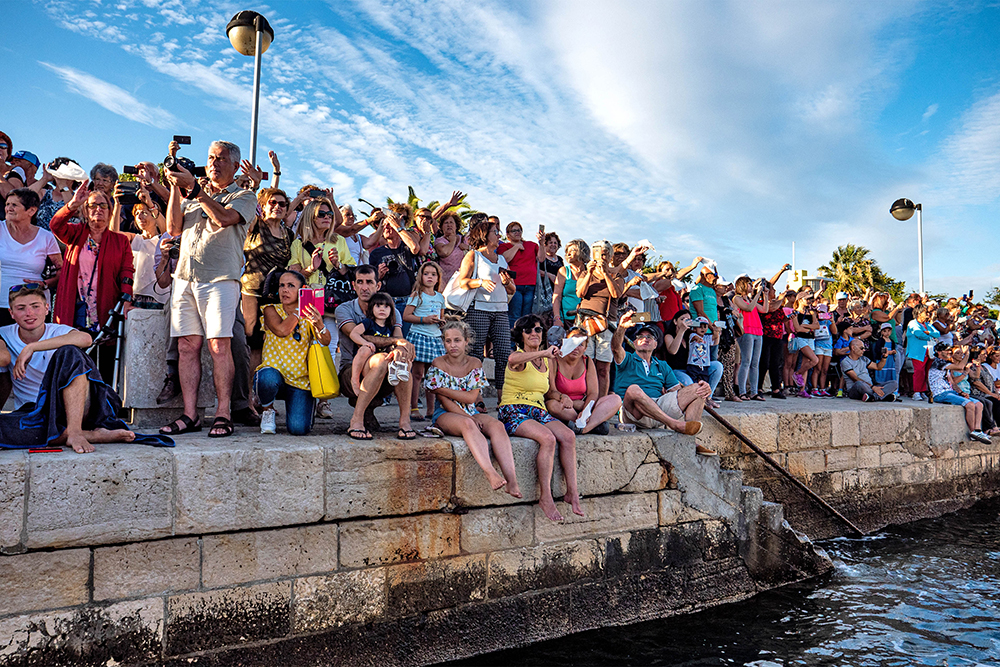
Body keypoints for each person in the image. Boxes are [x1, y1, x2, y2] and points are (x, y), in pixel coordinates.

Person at [159, 140, 257, 438]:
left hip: (220, 279)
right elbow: (174, 228)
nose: (214, 163)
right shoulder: (192, 195)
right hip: (185, 277)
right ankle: (190, 415)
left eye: (221, 158)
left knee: (219, 346)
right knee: (187, 346)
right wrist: (175, 186)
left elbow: (224, 218)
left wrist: (196, 190)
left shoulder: (244, 195)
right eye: (211, 157)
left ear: (235, 165)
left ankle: (223, 412)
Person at [0, 285, 135, 453]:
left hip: (73, 409)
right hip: (34, 415)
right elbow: (3, 361)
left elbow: (86, 339)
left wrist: (32, 347)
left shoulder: (58, 331)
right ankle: (89, 435)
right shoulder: (4, 335)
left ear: (47, 308)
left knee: (70, 352)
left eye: (35, 306)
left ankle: (75, 431)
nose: (29, 313)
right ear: (11, 313)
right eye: (21, 308)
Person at [498, 314, 583, 522]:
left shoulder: (546, 360)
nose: (533, 333)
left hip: (538, 409)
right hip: (514, 409)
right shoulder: (519, 356)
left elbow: (550, 391)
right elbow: (512, 360)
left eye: (538, 329)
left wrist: (562, 397)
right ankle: (545, 497)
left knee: (568, 436)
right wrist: (545, 351)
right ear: (521, 335)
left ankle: (572, 492)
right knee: (548, 438)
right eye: (528, 330)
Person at [424, 319, 521, 497]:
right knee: (468, 425)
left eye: (457, 340)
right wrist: (468, 418)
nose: (453, 345)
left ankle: (512, 480)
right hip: (446, 413)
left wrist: (442, 389)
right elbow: (444, 402)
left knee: (497, 426)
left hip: (471, 410)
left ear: (466, 341)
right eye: (448, 341)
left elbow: (471, 398)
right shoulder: (438, 363)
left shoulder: (475, 363)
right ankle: (490, 472)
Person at [49, 182, 135, 383]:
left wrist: (127, 299)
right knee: (74, 359)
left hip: (105, 309)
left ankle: (102, 401)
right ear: (86, 212)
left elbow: (127, 271)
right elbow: (55, 225)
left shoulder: (120, 241)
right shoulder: (75, 233)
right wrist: (72, 204)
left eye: (103, 205)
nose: (98, 209)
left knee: (103, 362)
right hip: (76, 308)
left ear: (110, 211)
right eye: (92, 205)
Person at [611, 312, 713, 452]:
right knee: (633, 389)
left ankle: (690, 440)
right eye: (640, 337)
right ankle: (674, 424)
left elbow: (678, 393)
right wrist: (622, 327)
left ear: (655, 344)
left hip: (657, 410)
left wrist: (704, 388)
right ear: (634, 343)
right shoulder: (627, 359)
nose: (645, 339)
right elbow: (616, 348)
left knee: (698, 389)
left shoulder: (662, 365)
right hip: (632, 413)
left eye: (650, 337)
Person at [336, 265, 415, 440]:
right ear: (353, 285)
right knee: (381, 360)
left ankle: (405, 421)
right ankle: (356, 420)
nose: (365, 287)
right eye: (360, 282)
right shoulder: (344, 309)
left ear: (378, 285)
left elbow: (399, 339)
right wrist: (395, 342)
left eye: (369, 282)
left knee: (401, 362)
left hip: (385, 370)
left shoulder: (390, 310)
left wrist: (402, 350)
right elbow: (358, 335)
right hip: (352, 370)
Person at [254, 271, 331, 435]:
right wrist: (300, 309)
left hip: (300, 380)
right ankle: (267, 410)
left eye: (291, 286)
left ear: (302, 290)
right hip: (275, 374)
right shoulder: (270, 310)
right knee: (266, 378)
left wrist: (319, 324)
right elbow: (282, 330)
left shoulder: (309, 314)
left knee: (298, 429)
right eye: (281, 285)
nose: (285, 290)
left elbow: (325, 341)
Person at [456, 215, 516, 395]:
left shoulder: (502, 259)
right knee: (475, 354)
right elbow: (462, 282)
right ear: (484, 235)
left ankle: (502, 399)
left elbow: (512, 289)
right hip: (479, 310)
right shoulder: (473, 255)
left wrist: (507, 282)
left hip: (501, 311)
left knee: (504, 354)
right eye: (495, 232)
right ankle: (475, 397)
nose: (499, 235)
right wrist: (480, 282)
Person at [0, 189, 62, 326]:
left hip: (33, 307)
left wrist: (45, 284)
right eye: (7, 204)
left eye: (14, 205)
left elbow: (61, 271)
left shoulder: (46, 237)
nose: (9, 208)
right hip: (1, 303)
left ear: (31, 211)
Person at [544, 326, 622, 434]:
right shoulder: (554, 360)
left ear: (585, 348)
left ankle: (583, 428)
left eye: (580, 344)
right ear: (564, 342)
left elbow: (593, 393)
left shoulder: (587, 361)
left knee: (615, 399)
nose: (576, 347)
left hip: (583, 406)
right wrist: (567, 399)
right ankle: (592, 424)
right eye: (573, 342)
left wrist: (585, 411)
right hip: (564, 406)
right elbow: (550, 392)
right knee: (552, 405)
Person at [575, 239, 624, 398]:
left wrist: (605, 274)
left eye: (605, 254)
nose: (601, 257)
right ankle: (585, 398)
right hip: (586, 321)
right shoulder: (585, 273)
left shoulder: (616, 275)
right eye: (598, 254)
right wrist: (590, 273)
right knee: (585, 363)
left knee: (603, 367)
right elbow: (580, 293)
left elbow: (616, 294)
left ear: (610, 256)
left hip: (606, 323)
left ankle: (601, 402)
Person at [403, 261, 446, 422]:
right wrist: (423, 319)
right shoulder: (417, 295)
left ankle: (431, 409)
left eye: (433, 274)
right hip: (419, 335)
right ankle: (414, 407)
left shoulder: (440, 297)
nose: (430, 277)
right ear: (420, 276)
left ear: (438, 278)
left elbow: (441, 316)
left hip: (435, 338)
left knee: (432, 374)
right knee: (417, 374)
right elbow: (406, 316)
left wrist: (441, 322)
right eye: (426, 273)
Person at [368, 210, 423, 332]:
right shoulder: (376, 253)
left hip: (407, 301)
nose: (387, 228)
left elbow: (415, 248)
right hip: (386, 302)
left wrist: (397, 226)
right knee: (388, 337)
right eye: (385, 226)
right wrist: (379, 275)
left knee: (405, 337)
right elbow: (372, 280)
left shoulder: (406, 246)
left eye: (390, 225)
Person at [927, 342, 990, 443]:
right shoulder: (939, 362)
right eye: (947, 350)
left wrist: (961, 392)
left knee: (979, 404)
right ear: (939, 352)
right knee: (970, 404)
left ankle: (978, 431)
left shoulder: (945, 364)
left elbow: (952, 383)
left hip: (950, 392)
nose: (949, 352)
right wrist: (967, 354)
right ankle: (973, 432)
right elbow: (961, 367)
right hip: (940, 394)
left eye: (949, 350)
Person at [349, 291, 411, 394]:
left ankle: (396, 372)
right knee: (365, 349)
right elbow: (353, 334)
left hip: (381, 362)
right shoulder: (368, 322)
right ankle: (354, 380)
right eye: (378, 306)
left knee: (397, 352)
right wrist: (365, 343)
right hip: (366, 361)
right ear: (371, 308)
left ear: (391, 310)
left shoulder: (390, 327)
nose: (382, 309)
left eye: (386, 306)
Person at [498, 222, 545, 328]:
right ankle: (512, 338)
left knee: (527, 316)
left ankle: (524, 337)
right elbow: (504, 259)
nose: (517, 232)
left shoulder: (532, 245)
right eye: (514, 231)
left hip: (530, 285)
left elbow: (541, 258)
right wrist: (516, 247)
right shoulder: (504, 246)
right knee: (514, 315)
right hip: (514, 286)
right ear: (508, 234)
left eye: (519, 230)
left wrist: (541, 244)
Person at [733, 276, 769, 401]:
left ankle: (754, 391)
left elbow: (764, 310)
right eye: (749, 284)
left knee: (755, 363)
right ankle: (742, 391)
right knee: (746, 361)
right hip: (746, 330)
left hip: (757, 330)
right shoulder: (737, 298)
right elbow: (748, 308)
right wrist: (757, 294)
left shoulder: (749, 299)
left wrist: (765, 295)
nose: (751, 286)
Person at [552, 238, 588, 331]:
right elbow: (557, 296)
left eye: (572, 250)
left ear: (582, 252)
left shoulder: (590, 271)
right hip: (567, 318)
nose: (568, 253)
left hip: (587, 319)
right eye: (567, 251)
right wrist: (557, 318)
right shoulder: (564, 271)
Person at [905, 304, 939, 401]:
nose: (928, 314)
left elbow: (937, 333)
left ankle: (923, 390)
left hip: (929, 352)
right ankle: (916, 391)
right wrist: (931, 336)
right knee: (919, 371)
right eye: (925, 312)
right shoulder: (912, 323)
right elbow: (918, 334)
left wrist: (929, 333)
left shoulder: (928, 324)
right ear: (919, 313)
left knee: (926, 372)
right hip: (918, 352)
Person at [689, 266, 721, 359]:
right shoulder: (697, 289)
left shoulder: (712, 291)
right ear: (706, 275)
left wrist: (717, 329)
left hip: (713, 332)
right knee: (702, 361)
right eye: (715, 274)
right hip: (702, 332)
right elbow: (700, 312)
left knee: (713, 361)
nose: (717, 277)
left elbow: (713, 310)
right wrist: (712, 328)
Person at [433, 212, 468, 285]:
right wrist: (452, 241)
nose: (449, 225)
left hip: (463, 280)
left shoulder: (464, 239)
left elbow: (475, 252)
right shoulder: (439, 241)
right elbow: (444, 252)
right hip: (446, 282)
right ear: (442, 227)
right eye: (446, 223)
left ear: (456, 226)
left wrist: (468, 247)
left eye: (451, 222)